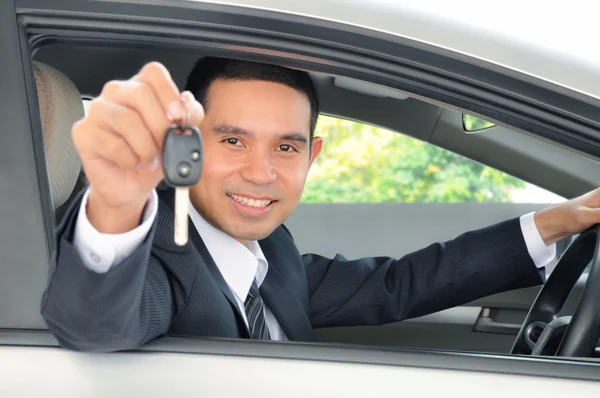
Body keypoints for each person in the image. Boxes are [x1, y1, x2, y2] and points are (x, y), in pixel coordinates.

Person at [41, 57, 600, 352]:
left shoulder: (270, 251)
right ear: (180, 144)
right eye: (232, 140)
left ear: (313, 156)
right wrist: (115, 202)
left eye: (286, 146)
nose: (261, 173)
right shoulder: (163, 253)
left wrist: (563, 220)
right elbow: (99, 328)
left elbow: (397, 287)